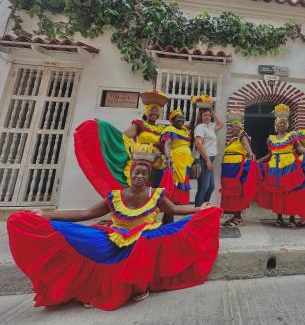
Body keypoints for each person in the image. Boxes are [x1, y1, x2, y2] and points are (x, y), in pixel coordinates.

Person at [6, 149, 222, 311]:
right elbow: (84, 214)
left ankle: (140, 285)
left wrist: (199, 208)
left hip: (144, 236)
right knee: (87, 240)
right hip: (116, 236)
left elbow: (175, 209)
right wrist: (46, 214)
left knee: (147, 239)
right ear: (130, 174)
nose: (139, 177)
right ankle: (94, 289)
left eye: (144, 175)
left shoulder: (155, 195)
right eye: (136, 173)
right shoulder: (114, 196)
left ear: (148, 178)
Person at [74, 89, 173, 198]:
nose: (154, 113)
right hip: (141, 158)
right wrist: (105, 128)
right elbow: (124, 137)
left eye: (156, 111)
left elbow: (166, 144)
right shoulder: (139, 124)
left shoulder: (161, 129)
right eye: (151, 111)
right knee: (139, 185)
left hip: (156, 161)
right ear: (146, 112)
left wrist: (168, 157)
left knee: (153, 188)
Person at [220, 110, 258, 228]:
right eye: (232, 127)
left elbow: (247, 145)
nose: (234, 128)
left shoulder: (242, 136)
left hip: (236, 167)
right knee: (229, 190)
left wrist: (251, 153)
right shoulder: (232, 140)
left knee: (236, 189)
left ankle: (238, 217)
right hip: (228, 168)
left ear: (240, 128)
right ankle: (234, 215)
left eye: (236, 126)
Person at [161, 110, 193, 223]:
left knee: (179, 191)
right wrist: (168, 157)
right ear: (172, 120)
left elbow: (193, 122)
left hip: (185, 164)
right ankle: (168, 220)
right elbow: (167, 143)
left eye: (182, 118)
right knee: (173, 190)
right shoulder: (169, 129)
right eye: (178, 118)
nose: (181, 120)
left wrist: (195, 106)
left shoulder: (185, 130)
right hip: (175, 162)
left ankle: (167, 220)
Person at [192, 96, 224, 207]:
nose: (208, 117)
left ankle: (204, 208)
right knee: (203, 187)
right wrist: (207, 161)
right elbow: (198, 144)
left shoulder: (210, 127)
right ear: (200, 117)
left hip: (210, 159)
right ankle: (197, 212)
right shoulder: (200, 127)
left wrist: (212, 111)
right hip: (204, 159)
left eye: (209, 115)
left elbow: (221, 124)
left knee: (210, 187)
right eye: (205, 115)